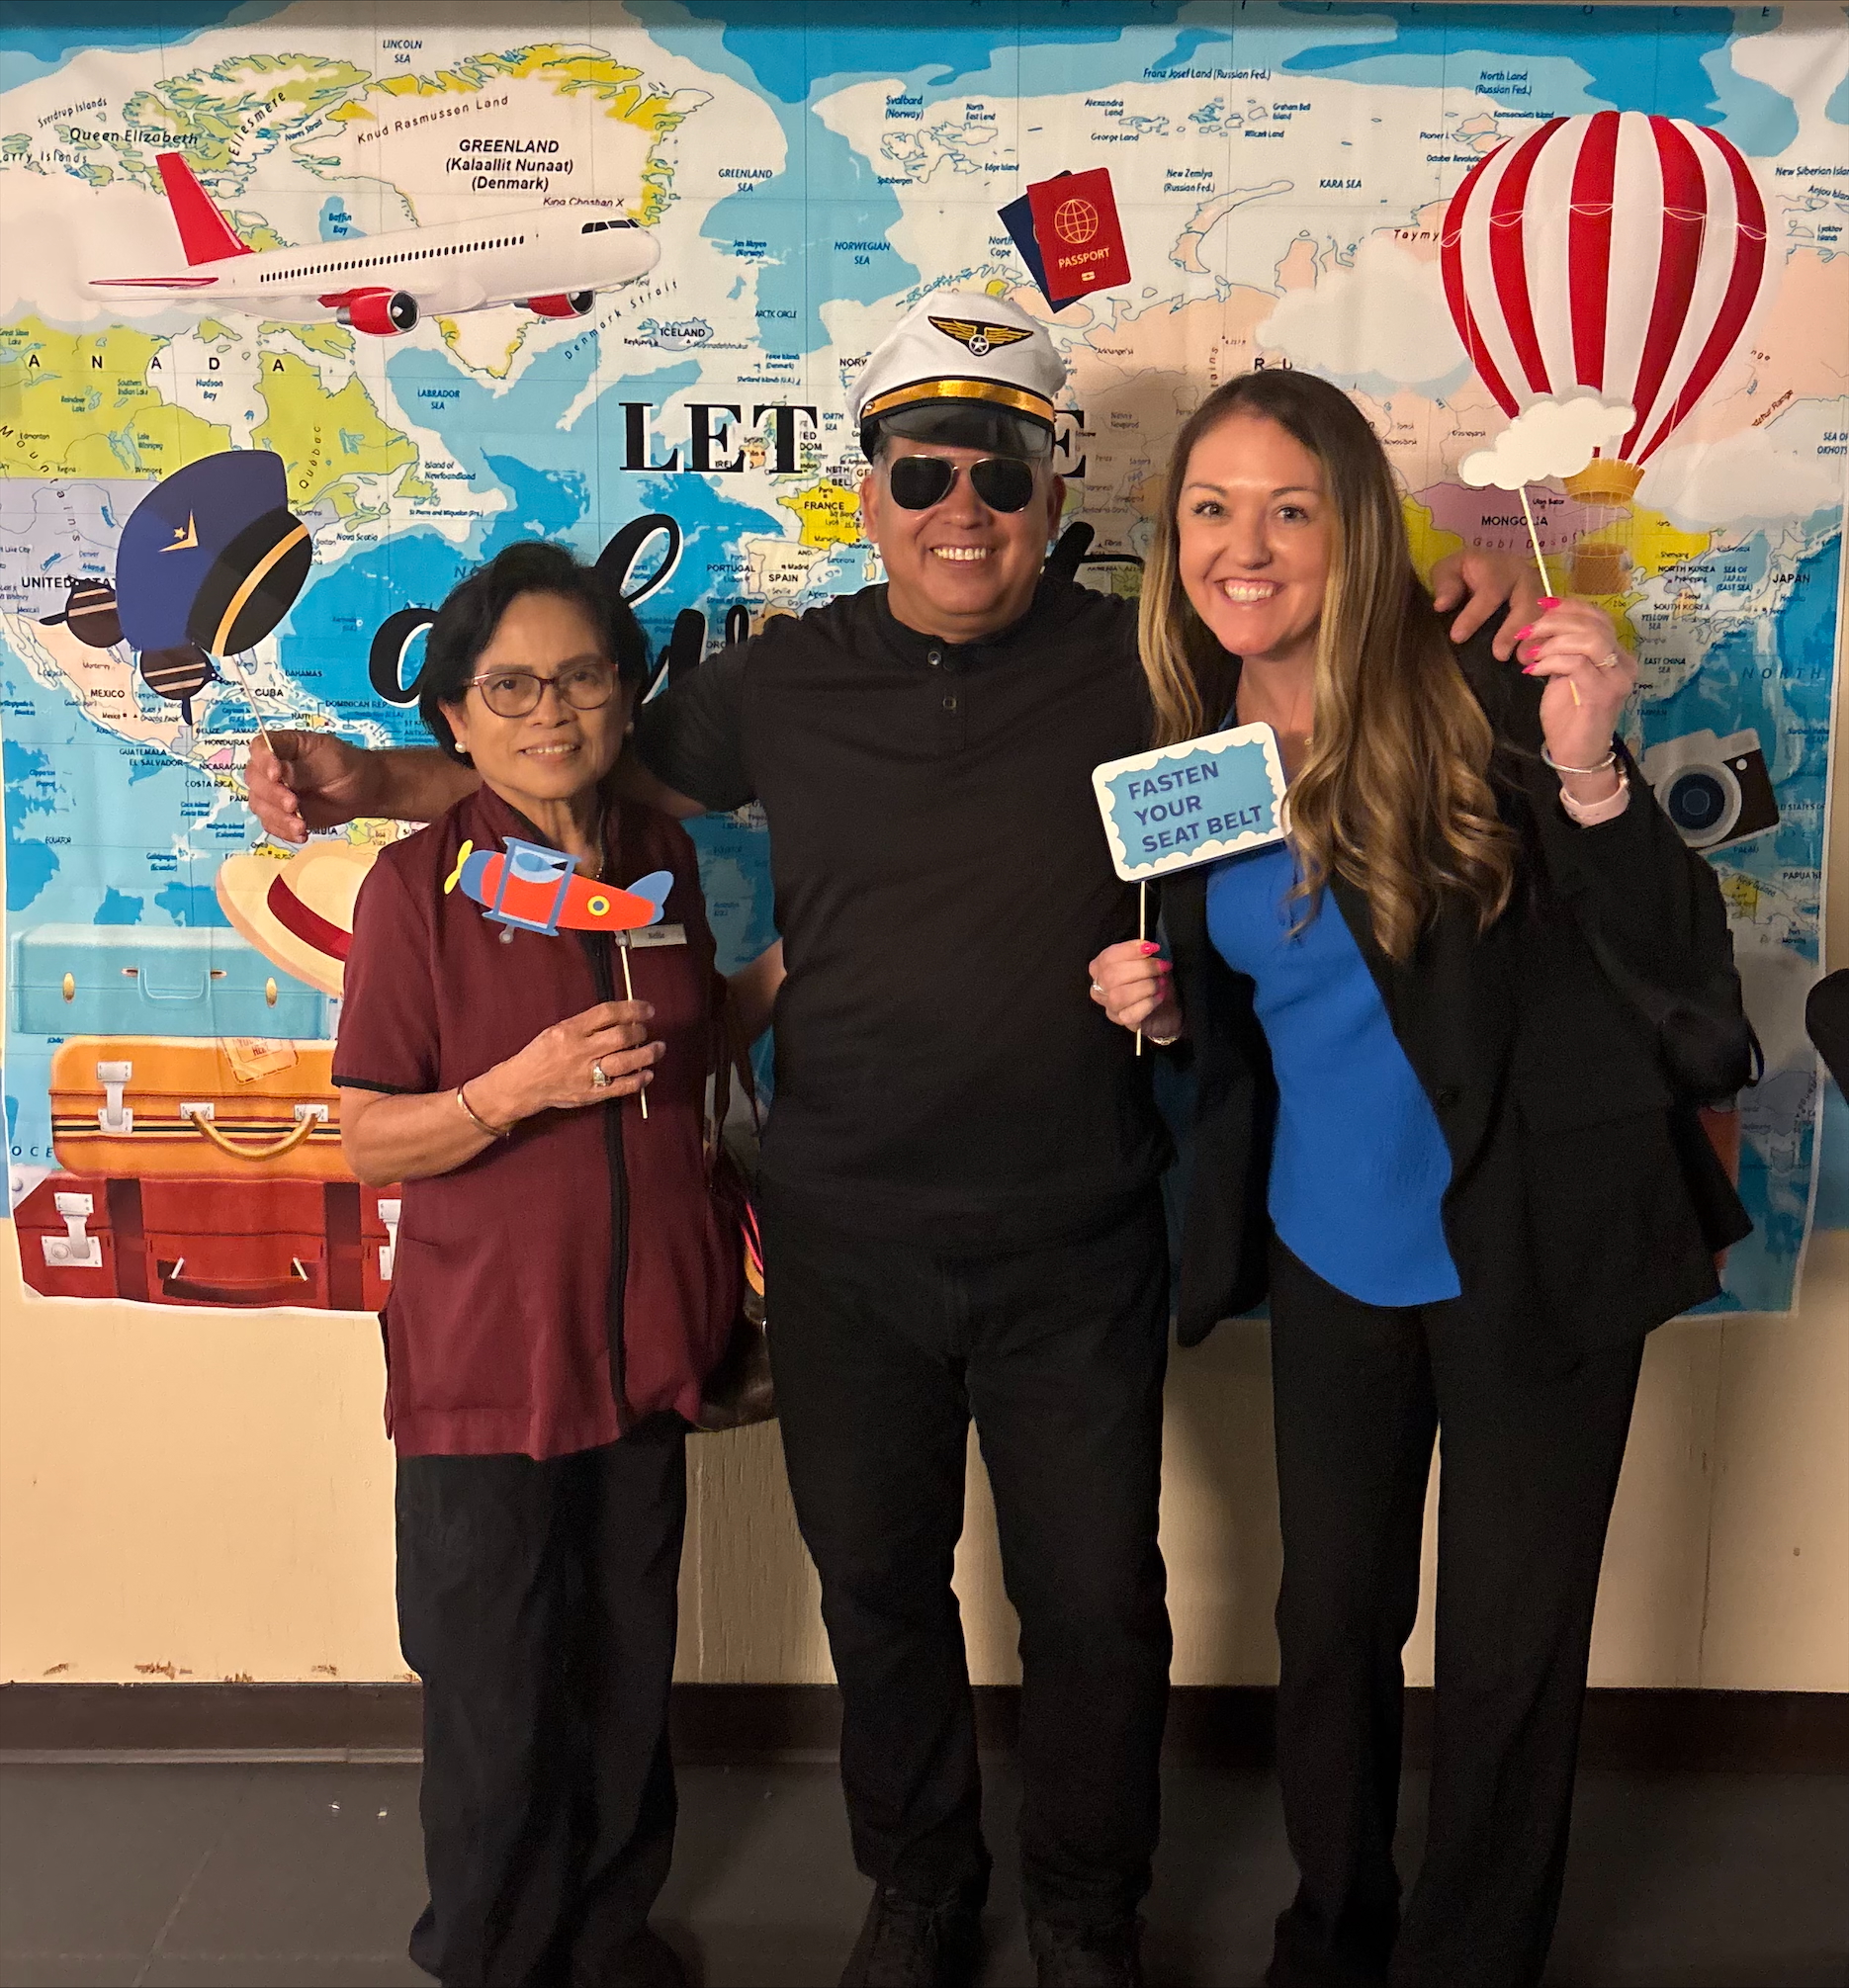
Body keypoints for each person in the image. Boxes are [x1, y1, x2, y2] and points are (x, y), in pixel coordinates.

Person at [249, 296, 1538, 1988]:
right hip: (841, 1237)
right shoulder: (784, 682)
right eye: (920, 473)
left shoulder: (1142, 663)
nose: (959, 511)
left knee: (1097, 1609)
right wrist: (363, 779)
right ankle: (920, 1886)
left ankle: (1084, 1908)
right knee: (879, 1592)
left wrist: (1481, 617)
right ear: (868, 488)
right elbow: (560, 759)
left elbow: (1322, 676)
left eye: (996, 478)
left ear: (1049, 492)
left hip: (1079, 1232)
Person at [1089, 370, 1751, 1988]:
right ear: (1172, 539)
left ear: (1358, 533)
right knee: (1329, 1637)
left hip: (1532, 1247)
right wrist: (1162, 1011)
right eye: (1210, 510)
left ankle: (1471, 1962)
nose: (1246, 547)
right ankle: (1332, 1933)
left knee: (1511, 1657)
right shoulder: (1186, 753)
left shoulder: (1477, 686)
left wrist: (1594, 778)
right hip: (1334, 1256)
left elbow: (1674, 972)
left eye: (1291, 507)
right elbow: (1248, 1021)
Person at [334, 543, 776, 1988]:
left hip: (645, 1352)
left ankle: (606, 1936)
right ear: (453, 717)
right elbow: (370, 1142)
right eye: (507, 684)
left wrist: (800, 973)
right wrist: (509, 1089)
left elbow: (689, 1051)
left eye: (581, 675)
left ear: (624, 695)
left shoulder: (658, 869)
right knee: (495, 1701)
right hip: (485, 1368)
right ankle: (490, 1956)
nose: (550, 710)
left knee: (621, 1686)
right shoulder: (419, 889)